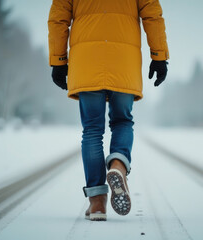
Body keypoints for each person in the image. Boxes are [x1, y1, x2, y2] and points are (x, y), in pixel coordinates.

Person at [48, 0, 169, 221]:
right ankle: (118, 166)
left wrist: (58, 60)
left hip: (86, 60)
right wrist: (159, 56)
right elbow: (152, 14)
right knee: (122, 121)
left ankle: (97, 204)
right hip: (124, 61)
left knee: (92, 130)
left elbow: (58, 18)